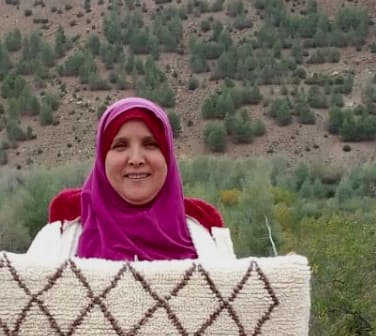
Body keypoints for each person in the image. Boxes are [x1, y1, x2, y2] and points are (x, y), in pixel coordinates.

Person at [27, 96, 235, 261]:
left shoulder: (210, 244)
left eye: (150, 144)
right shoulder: (56, 243)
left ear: (168, 156)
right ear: (102, 158)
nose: (136, 159)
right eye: (120, 145)